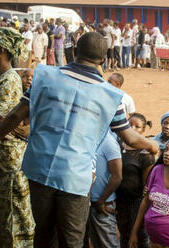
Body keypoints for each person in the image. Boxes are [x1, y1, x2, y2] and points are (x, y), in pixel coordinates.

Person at [0, 32, 159, 247]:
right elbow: (129, 137)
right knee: (72, 240)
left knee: (43, 235)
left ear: (74, 52)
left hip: (39, 171)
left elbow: (14, 116)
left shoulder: (43, 76)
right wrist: (151, 144)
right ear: (103, 60)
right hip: (75, 179)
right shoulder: (111, 96)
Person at [0, 27, 35, 248]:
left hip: (11, 161)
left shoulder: (10, 79)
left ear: (2, 49)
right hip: (5, 160)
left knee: (15, 213)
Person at [116, 113, 154, 248]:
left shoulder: (145, 154)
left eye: (137, 126)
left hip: (137, 202)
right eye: (130, 124)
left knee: (139, 235)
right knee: (124, 233)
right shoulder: (118, 145)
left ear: (143, 131)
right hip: (120, 199)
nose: (132, 128)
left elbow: (146, 186)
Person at [87, 130, 122, 248]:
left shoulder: (108, 142)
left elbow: (117, 176)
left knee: (109, 244)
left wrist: (101, 200)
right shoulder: (90, 137)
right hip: (88, 202)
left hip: (103, 204)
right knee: (96, 242)